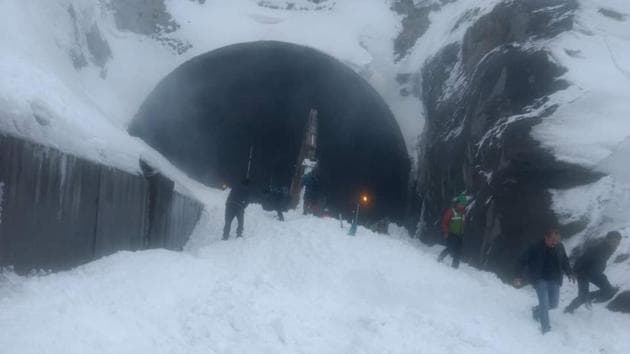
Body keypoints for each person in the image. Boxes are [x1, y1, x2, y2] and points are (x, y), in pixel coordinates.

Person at [514, 228, 574, 334]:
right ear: (545, 237)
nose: (555, 243)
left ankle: (536, 311)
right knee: (544, 304)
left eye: (557, 240)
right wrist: (518, 276)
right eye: (552, 240)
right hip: (540, 279)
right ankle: (545, 328)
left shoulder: (560, 247)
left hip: (555, 279)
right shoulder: (535, 247)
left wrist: (569, 272)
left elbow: (564, 260)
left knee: (554, 304)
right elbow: (522, 260)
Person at [564, 231, 622, 313]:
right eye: (614, 241)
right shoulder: (597, 248)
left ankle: (588, 297)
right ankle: (569, 309)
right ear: (607, 239)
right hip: (583, 273)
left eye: (618, 242)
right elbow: (582, 259)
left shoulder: (611, 249)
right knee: (582, 296)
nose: (616, 244)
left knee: (608, 290)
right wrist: (574, 272)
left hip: (596, 273)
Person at [437, 194, 468, 268]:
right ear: (457, 203)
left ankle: (455, 266)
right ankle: (440, 257)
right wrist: (446, 232)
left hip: (460, 235)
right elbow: (444, 222)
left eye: (463, 205)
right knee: (450, 247)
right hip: (451, 234)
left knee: (458, 251)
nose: (462, 206)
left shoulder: (463, 213)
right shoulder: (451, 211)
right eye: (461, 204)